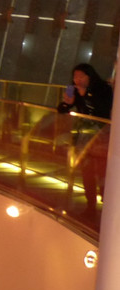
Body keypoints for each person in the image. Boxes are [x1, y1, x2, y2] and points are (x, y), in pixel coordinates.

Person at [58, 63, 114, 216]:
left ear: (89, 76)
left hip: (101, 137)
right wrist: (67, 103)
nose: (77, 79)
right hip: (83, 138)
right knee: (87, 171)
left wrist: (85, 94)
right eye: (75, 76)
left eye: (81, 76)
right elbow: (61, 109)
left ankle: (107, 206)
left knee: (102, 171)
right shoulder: (73, 89)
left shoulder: (103, 89)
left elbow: (103, 110)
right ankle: (90, 206)